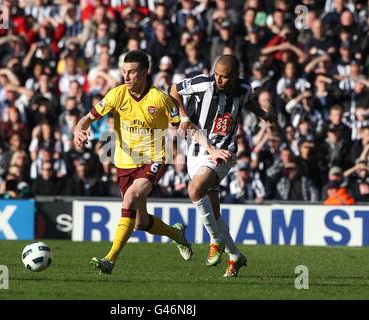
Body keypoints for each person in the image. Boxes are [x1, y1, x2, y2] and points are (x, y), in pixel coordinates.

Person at [73, 50, 192, 274]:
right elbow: (87, 118)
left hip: (154, 158)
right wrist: (79, 130)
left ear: (145, 72)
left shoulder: (159, 98)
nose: (126, 77)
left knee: (130, 198)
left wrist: (181, 131)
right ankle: (177, 234)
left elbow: (179, 123)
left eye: (132, 72)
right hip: (124, 162)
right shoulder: (117, 94)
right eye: (124, 72)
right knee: (139, 222)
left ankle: (109, 260)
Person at [169, 54, 277, 277]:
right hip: (195, 150)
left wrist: (262, 114)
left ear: (235, 77)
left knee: (194, 190)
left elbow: (249, 101)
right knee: (214, 213)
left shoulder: (244, 88)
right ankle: (236, 256)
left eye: (224, 77)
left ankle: (215, 241)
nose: (218, 80)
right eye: (216, 75)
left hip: (223, 152)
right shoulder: (203, 83)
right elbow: (173, 89)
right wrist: (183, 116)